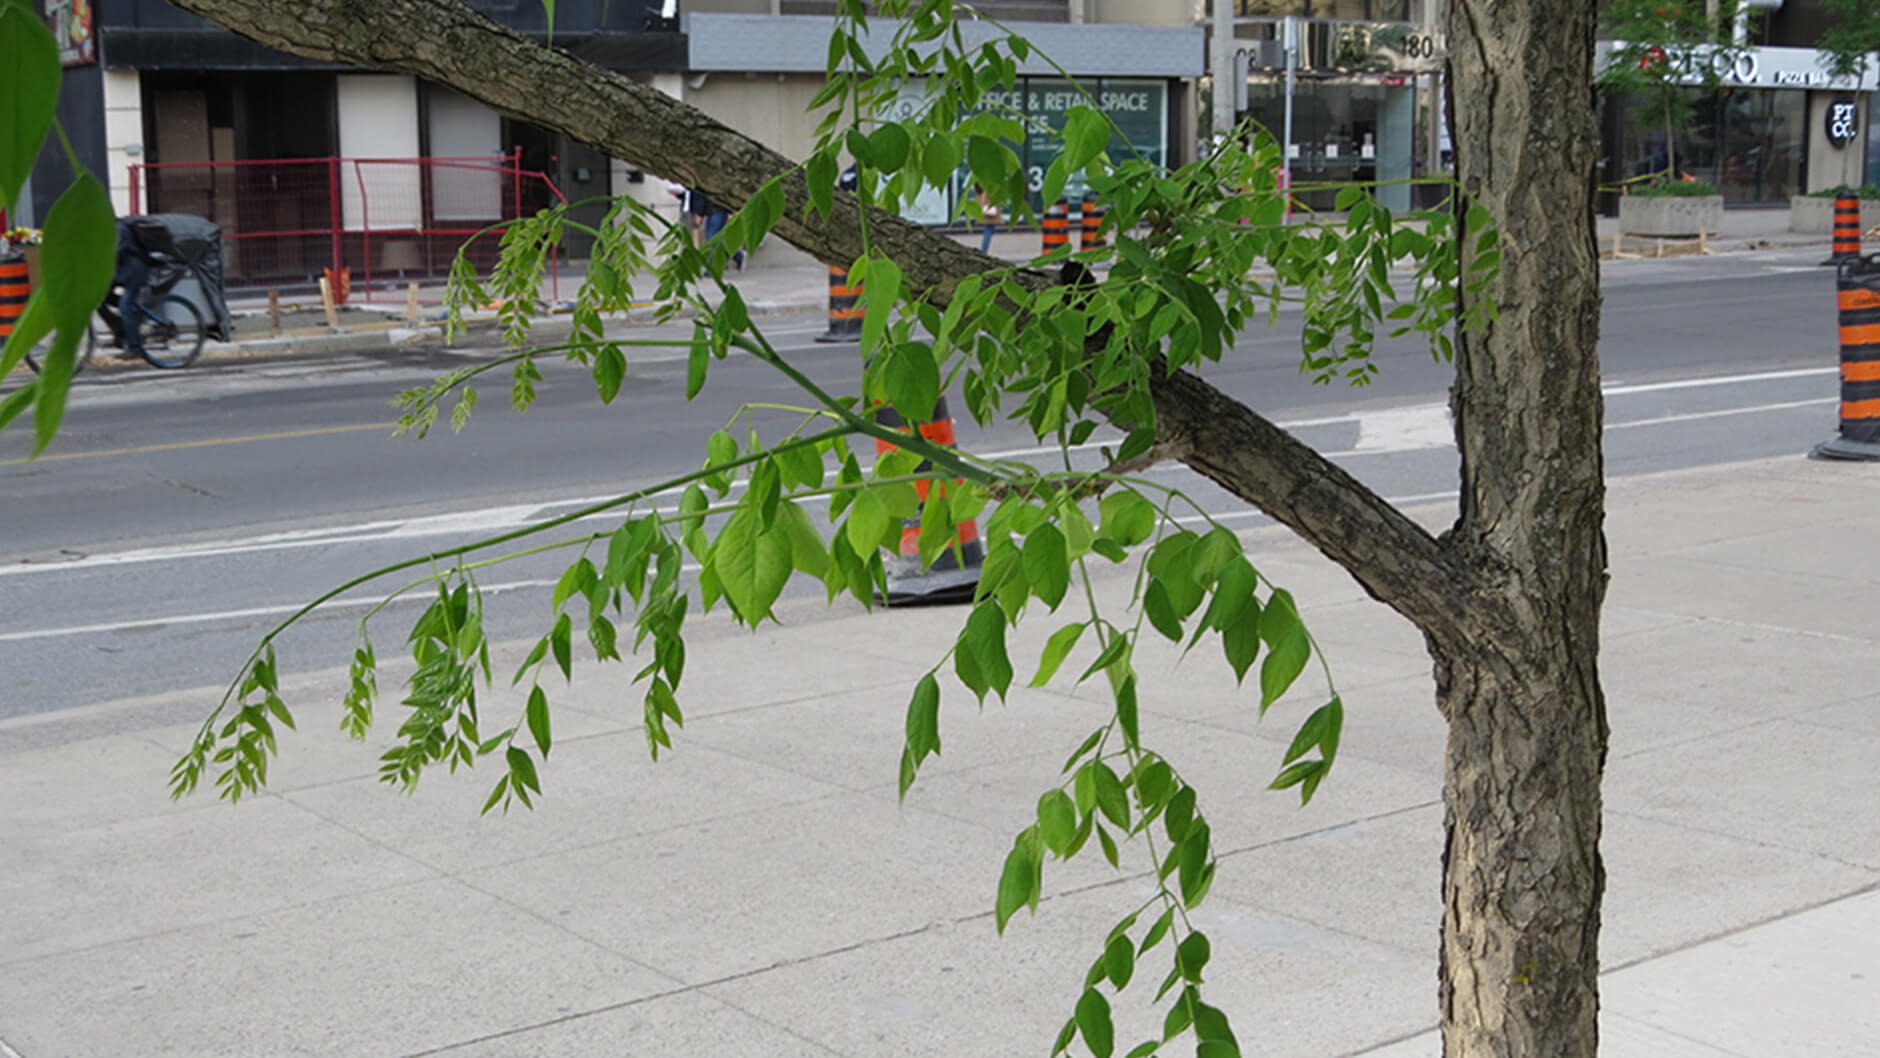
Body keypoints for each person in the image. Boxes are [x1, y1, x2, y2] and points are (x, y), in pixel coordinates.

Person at [100, 219, 153, 359]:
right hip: (123, 271)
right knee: (100, 298)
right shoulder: (108, 231)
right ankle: (120, 328)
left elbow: (117, 250)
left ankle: (135, 348)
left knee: (125, 307)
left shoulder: (120, 229)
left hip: (135, 271)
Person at [974, 184, 1001, 253]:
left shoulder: (979, 188)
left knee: (988, 231)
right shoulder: (987, 190)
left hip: (986, 214)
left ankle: (984, 251)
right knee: (988, 232)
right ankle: (984, 251)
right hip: (989, 216)